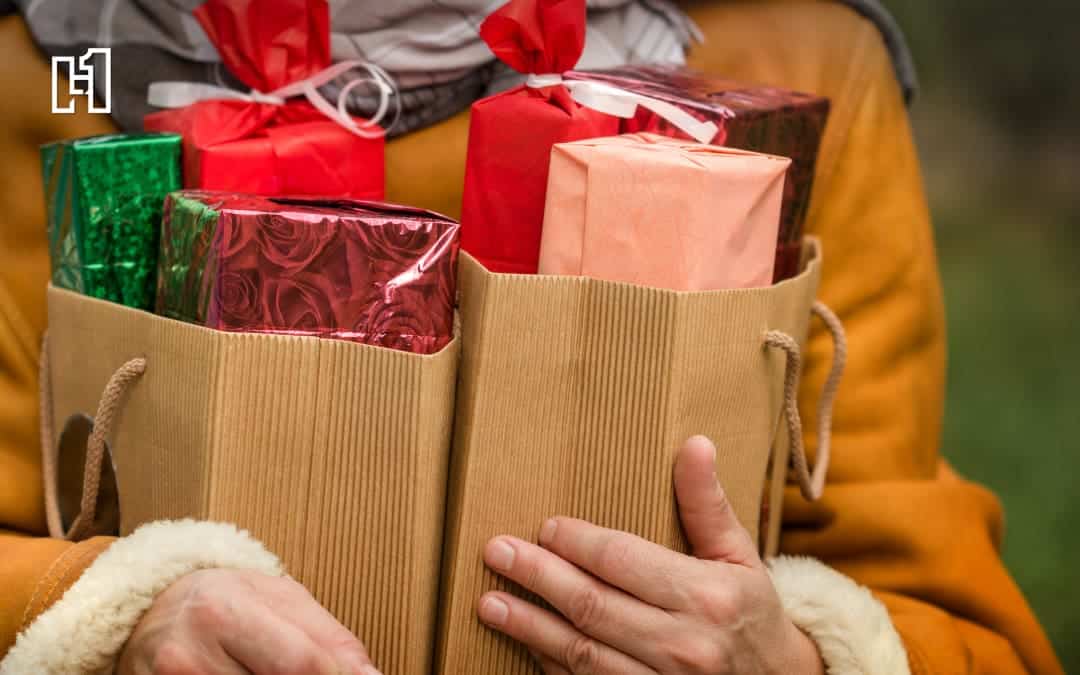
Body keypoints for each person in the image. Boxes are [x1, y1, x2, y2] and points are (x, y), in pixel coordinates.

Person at [0, 1, 1064, 673]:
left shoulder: (788, 48)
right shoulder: (54, 69)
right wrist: (109, 617)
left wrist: (795, 656)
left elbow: (954, 626)